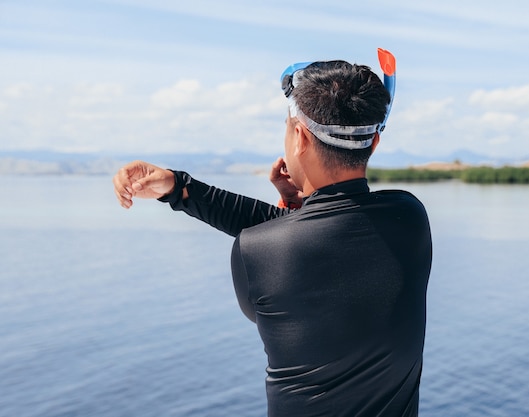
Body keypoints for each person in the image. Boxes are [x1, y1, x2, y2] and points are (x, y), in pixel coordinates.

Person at [112, 49, 432, 417]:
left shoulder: (256, 252)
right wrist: (181, 188)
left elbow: (286, 252)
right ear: (374, 143)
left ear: (299, 137)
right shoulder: (409, 217)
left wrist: (291, 210)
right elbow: (319, 237)